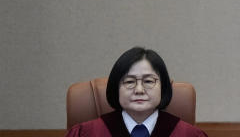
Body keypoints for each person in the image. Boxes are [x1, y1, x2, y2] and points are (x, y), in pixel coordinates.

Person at [65, 46, 207, 137]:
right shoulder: (86, 134)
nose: (139, 90)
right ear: (116, 88)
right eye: (129, 82)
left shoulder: (189, 135)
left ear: (163, 87)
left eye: (149, 81)